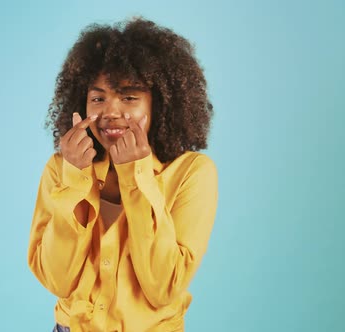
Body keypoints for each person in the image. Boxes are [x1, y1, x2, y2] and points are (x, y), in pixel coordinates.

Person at [27, 17, 218, 332]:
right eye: (98, 98)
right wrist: (75, 179)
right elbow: (56, 280)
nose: (111, 112)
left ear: (162, 104)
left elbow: (162, 287)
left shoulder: (192, 173)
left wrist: (135, 176)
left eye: (129, 97)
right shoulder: (62, 168)